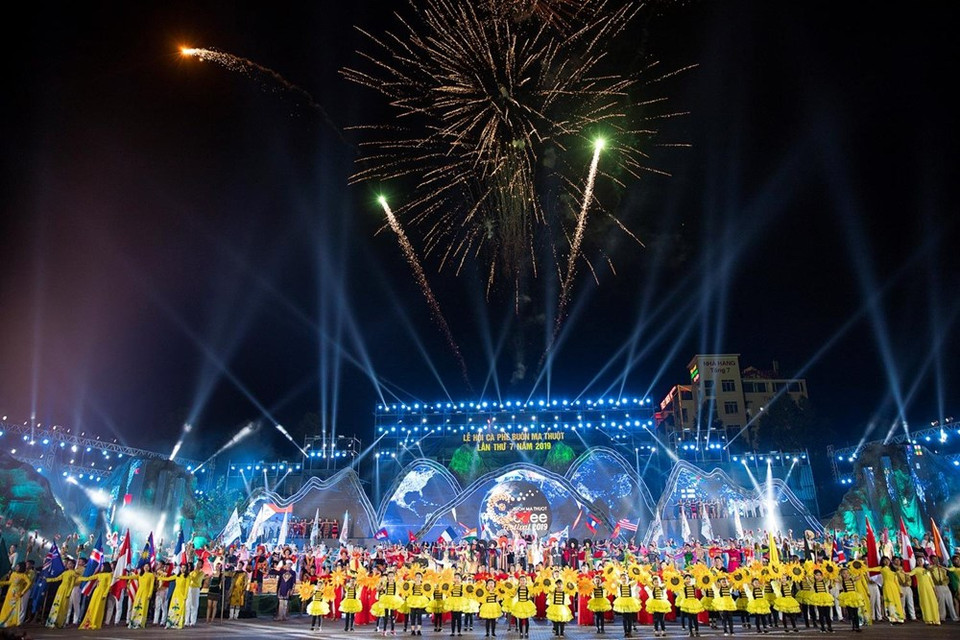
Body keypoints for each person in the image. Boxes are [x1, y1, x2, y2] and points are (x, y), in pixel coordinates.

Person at [44, 556, 80, 628]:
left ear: (73, 565)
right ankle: (52, 621)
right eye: (68, 563)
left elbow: (72, 584)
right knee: (56, 605)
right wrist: (48, 579)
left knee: (63, 606)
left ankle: (60, 623)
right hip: (60, 590)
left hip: (66, 590)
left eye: (70, 563)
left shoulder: (73, 573)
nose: (68, 565)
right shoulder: (65, 572)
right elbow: (57, 578)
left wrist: (68, 593)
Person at [77, 561, 114, 630]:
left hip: (102, 593)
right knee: (92, 606)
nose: (102, 568)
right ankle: (90, 621)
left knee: (99, 607)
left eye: (103, 566)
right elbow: (89, 578)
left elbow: (108, 585)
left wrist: (105, 594)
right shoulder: (99, 575)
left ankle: (96, 622)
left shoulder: (109, 575)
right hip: (96, 592)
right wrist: (80, 578)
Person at [0, 562, 30, 628]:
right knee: (6, 607)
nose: (16, 567)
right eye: (16, 566)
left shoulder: (24, 576)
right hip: (10, 593)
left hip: (16, 595)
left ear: (21, 568)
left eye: (18, 566)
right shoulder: (13, 574)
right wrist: (1, 583)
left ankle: (11, 622)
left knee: (13, 608)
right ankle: (2, 620)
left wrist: (22, 592)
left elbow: (29, 583)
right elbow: (10, 582)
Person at [612, 571, 641, 638]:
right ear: (621, 579)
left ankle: (629, 631)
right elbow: (614, 580)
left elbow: (636, 580)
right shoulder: (620, 585)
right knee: (624, 618)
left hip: (630, 602)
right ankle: (626, 632)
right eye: (622, 578)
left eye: (625, 578)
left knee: (629, 618)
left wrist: (636, 573)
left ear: (627, 579)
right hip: (622, 602)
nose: (624, 579)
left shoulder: (630, 585)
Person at [837, 567, 864, 633]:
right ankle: (853, 626)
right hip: (847, 598)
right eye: (844, 573)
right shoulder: (842, 581)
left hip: (854, 597)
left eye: (847, 573)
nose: (846, 574)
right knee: (851, 613)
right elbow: (834, 579)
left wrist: (860, 569)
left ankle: (857, 626)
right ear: (841, 574)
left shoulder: (852, 579)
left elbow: (859, 576)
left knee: (856, 613)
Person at [546, 573, 573, 638]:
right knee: (555, 621)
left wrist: (570, 585)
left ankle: (561, 632)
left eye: (560, 584)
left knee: (562, 621)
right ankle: (557, 632)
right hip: (554, 607)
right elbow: (548, 592)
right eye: (557, 584)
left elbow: (571, 590)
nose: (559, 585)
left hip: (562, 608)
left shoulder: (565, 592)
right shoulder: (553, 592)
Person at [512, 574, 536, 639]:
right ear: (519, 581)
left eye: (524, 580)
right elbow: (513, 594)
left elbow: (532, 595)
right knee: (520, 619)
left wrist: (533, 592)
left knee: (526, 619)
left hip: (526, 604)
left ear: (526, 581)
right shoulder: (518, 588)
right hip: (519, 604)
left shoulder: (528, 588)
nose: (522, 581)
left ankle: (526, 632)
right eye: (521, 580)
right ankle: (521, 632)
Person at [184, 561, 204, 626]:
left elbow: (197, 580)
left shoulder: (201, 573)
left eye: (199, 563)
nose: (197, 564)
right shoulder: (192, 572)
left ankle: (192, 621)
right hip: (189, 588)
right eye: (197, 563)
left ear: (201, 565)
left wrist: (190, 577)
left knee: (194, 605)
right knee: (188, 605)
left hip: (196, 588)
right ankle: (186, 621)